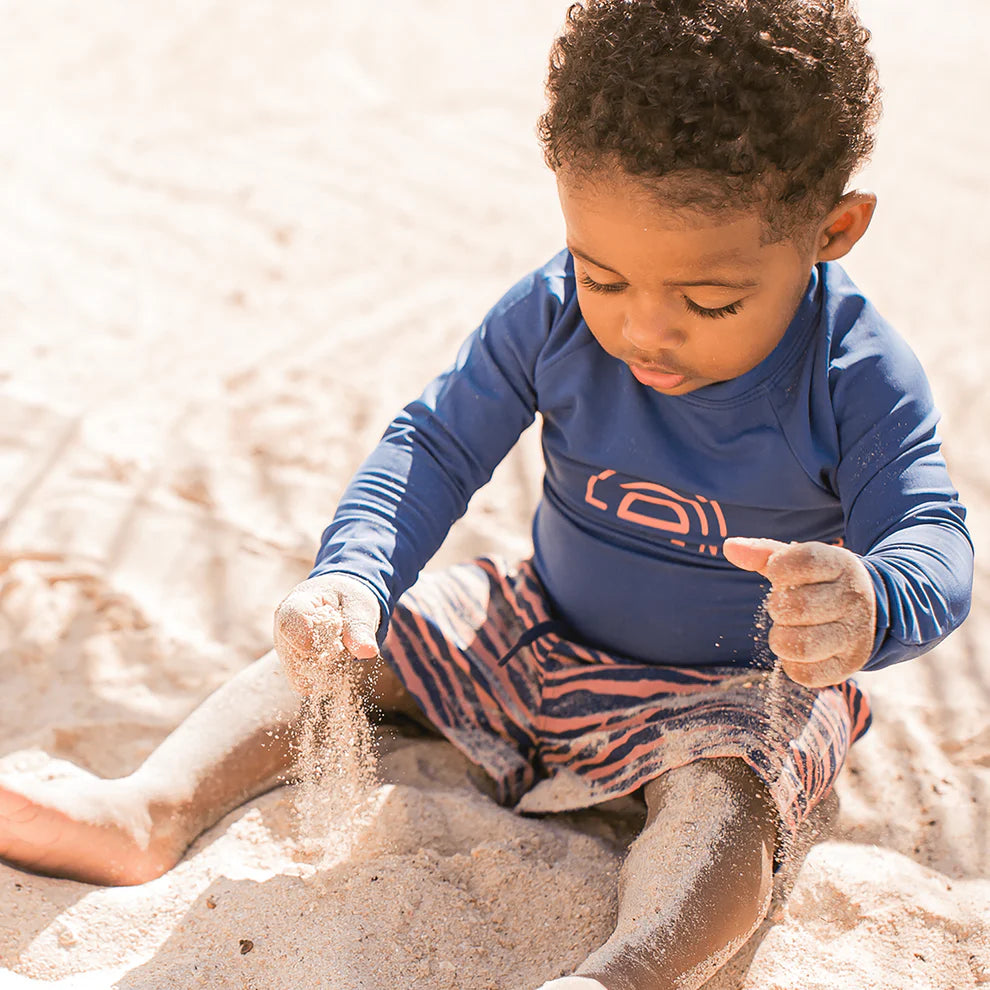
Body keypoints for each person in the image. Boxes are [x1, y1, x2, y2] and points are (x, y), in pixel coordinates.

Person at [0, 1, 974, 988]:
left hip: (728, 688)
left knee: (729, 802)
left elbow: (933, 542)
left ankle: (629, 971)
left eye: (709, 301)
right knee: (342, 648)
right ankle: (151, 808)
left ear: (833, 230)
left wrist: (869, 604)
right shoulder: (552, 312)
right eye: (605, 276)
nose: (643, 331)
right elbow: (434, 445)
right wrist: (351, 577)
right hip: (539, 621)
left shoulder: (857, 375)